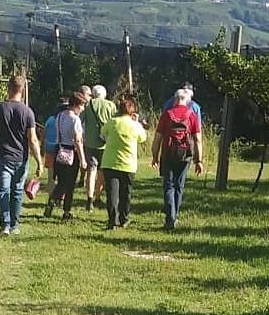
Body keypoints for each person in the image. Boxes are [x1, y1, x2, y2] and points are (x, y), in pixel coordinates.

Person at [0, 76, 43, 236]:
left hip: (3, 157)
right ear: (22, 90)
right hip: (21, 158)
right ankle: (14, 225)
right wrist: (39, 161)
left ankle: (4, 225)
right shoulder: (28, 112)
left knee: (3, 191)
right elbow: (32, 139)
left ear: (8, 88)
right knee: (17, 191)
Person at [152, 87, 204, 230]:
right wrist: (198, 160)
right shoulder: (192, 115)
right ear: (187, 102)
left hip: (168, 154)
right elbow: (198, 139)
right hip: (185, 155)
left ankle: (170, 219)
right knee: (179, 186)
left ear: (175, 99)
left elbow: (157, 138)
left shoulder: (167, 114)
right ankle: (174, 217)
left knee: (169, 186)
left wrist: (155, 156)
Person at [100, 95, 148, 230]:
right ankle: (124, 218)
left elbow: (102, 133)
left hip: (110, 162)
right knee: (125, 193)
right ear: (132, 111)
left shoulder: (112, 122)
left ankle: (112, 220)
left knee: (112, 193)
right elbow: (142, 138)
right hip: (128, 163)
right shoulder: (135, 125)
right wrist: (137, 122)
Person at [44, 91, 88, 221]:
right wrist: (82, 159)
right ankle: (67, 210)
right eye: (82, 106)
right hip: (71, 153)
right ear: (76, 105)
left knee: (61, 182)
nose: (83, 109)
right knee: (70, 184)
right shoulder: (75, 119)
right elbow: (78, 140)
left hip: (59, 150)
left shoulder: (59, 116)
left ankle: (51, 201)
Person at [80, 84, 115, 211]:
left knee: (91, 171)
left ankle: (89, 200)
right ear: (104, 94)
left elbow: (80, 120)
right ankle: (98, 197)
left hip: (90, 143)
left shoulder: (87, 105)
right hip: (106, 143)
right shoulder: (110, 105)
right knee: (102, 172)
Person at [42, 97, 69, 194]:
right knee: (62, 174)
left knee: (51, 173)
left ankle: (51, 193)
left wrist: (42, 145)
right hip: (61, 148)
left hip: (49, 148)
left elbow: (44, 134)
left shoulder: (50, 119)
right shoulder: (65, 120)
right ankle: (60, 194)